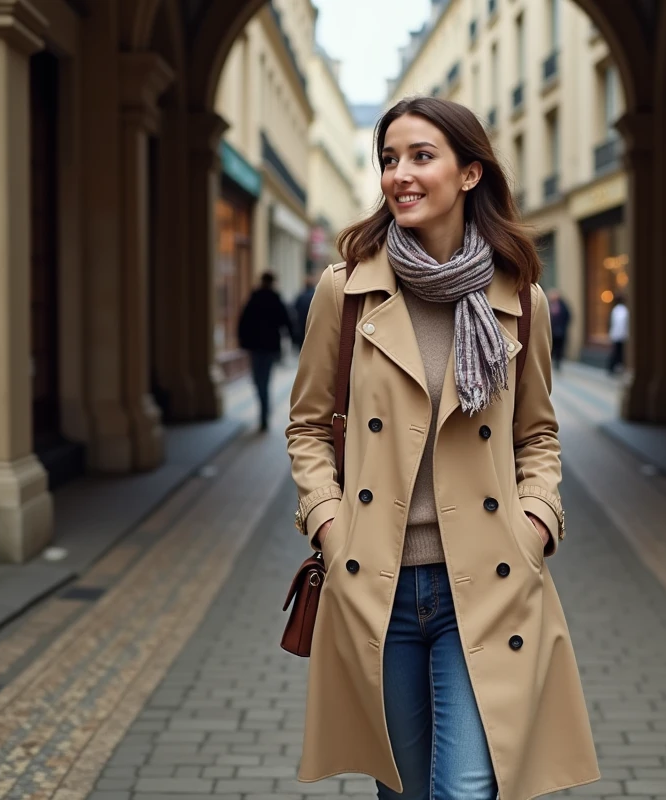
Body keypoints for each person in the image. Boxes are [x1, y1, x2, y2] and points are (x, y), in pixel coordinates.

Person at [286, 96, 599, 800]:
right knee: (403, 790)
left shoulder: (520, 297)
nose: (399, 174)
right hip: (378, 580)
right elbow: (307, 427)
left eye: (421, 156)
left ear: (468, 174)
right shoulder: (346, 293)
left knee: (465, 788)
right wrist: (330, 525)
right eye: (389, 159)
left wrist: (536, 522)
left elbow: (537, 434)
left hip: (486, 581)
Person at [237, 272, 292, 431]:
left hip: (255, 346)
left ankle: (264, 411)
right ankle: (265, 412)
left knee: (258, 380)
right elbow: (286, 321)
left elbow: (243, 322)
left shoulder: (254, 299)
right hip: (270, 346)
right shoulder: (275, 299)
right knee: (265, 379)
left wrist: (243, 342)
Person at [291, 273, 317, 351]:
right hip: (313, 326)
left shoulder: (300, 297)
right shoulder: (315, 295)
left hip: (302, 327)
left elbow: (294, 311)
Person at [547, 288, 571, 372]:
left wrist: (563, 326)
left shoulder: (563, 305)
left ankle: (558, 363)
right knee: (552, 347)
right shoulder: (548, 304)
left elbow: (568, 316)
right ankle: (552, 362)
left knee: (560, 348)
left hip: (561, 331)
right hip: (551, 331)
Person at [608, 296, 629, 374]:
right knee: (618, 352)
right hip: (620, 335)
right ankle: (614, 367)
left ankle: (614, 367)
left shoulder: (616, 309)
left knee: (617, 352)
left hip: (616, 335)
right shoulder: (622, 310)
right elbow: (621, 324)